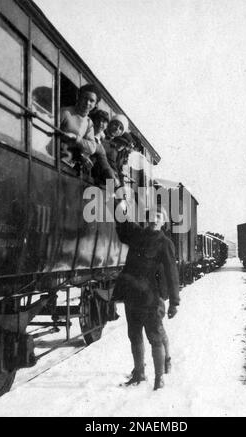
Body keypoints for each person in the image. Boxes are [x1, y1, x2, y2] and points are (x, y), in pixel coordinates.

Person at [113, 202, 180, 390]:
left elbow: (171, 272)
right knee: (134, 335)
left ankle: (159, 379)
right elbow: (123, 223)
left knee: (154, 337)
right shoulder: (137, 235)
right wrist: (117, 198)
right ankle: (139, 373)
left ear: (163, 222)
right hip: (131, 295)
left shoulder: (165, 243)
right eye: (152, 215)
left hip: (150, 297)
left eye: (159, 216)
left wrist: (174, 302)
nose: (154, 218)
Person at [60, 84, 101, 169]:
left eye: (91, 101)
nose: (87, 103)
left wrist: (76, 138)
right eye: (85, 98)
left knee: (113, 180)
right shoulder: (65, 112)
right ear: (79, 97)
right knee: (112, 179)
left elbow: (92, 148)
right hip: (57, 159)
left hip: (70, 164)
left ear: (95, 104)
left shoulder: (89, 123)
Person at [89, 109, 118, 185]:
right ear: (93, 120)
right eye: (98, 120)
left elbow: (104, 161)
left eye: (104, 122)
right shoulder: (87, 132)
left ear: (107, 125)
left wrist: (113, 177)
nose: (100, 124)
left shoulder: (102, 141)